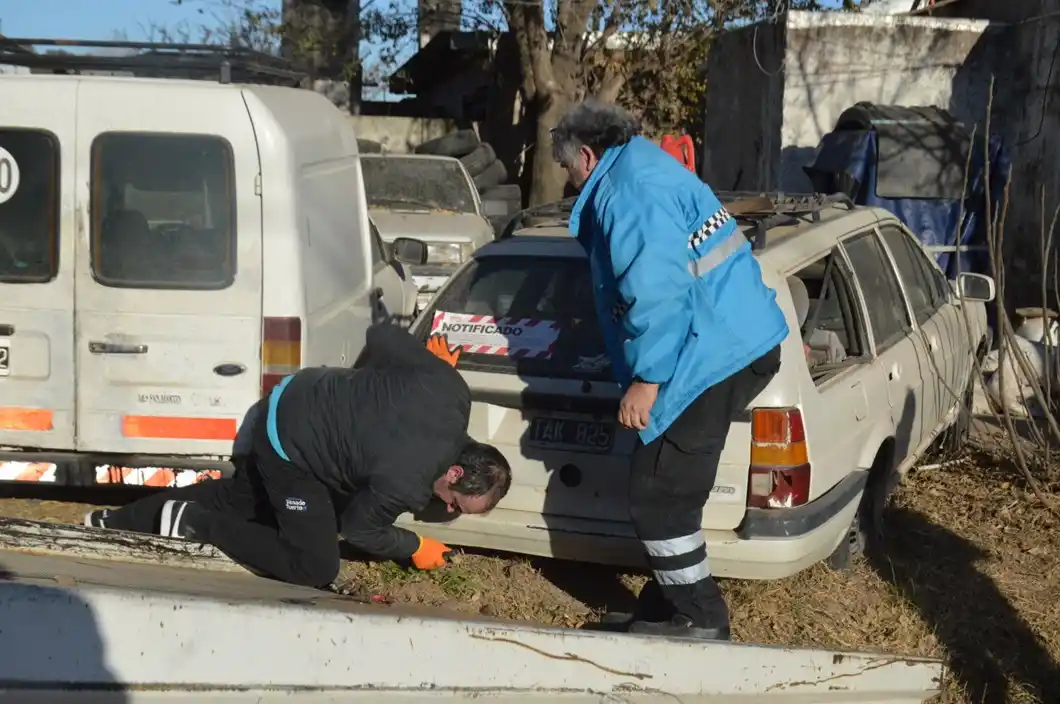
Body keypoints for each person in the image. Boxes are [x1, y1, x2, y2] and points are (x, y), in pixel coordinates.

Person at [551, 100, 789, 641]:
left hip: (707, 355)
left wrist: (647, 379)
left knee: (658, 495)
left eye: (567, 169)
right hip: (726, 344)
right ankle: (663, 609)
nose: (567, 181)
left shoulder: (629, 193)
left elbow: (656, 293)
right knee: (670, 485)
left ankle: (702, 619)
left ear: (587, 155)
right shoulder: (644, 168)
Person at [84, 325, 511, 588]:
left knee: (242, 498)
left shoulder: (451, 389)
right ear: (455, 470)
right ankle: (200, 526)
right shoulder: (405, 482)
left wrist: (405, 372)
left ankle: (109, 522)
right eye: (455, 502)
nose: (448, 509)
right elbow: (360, 530)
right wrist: (412, 545)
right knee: (315, 564)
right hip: (291, 445)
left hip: (305, 388)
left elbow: (382, 337)